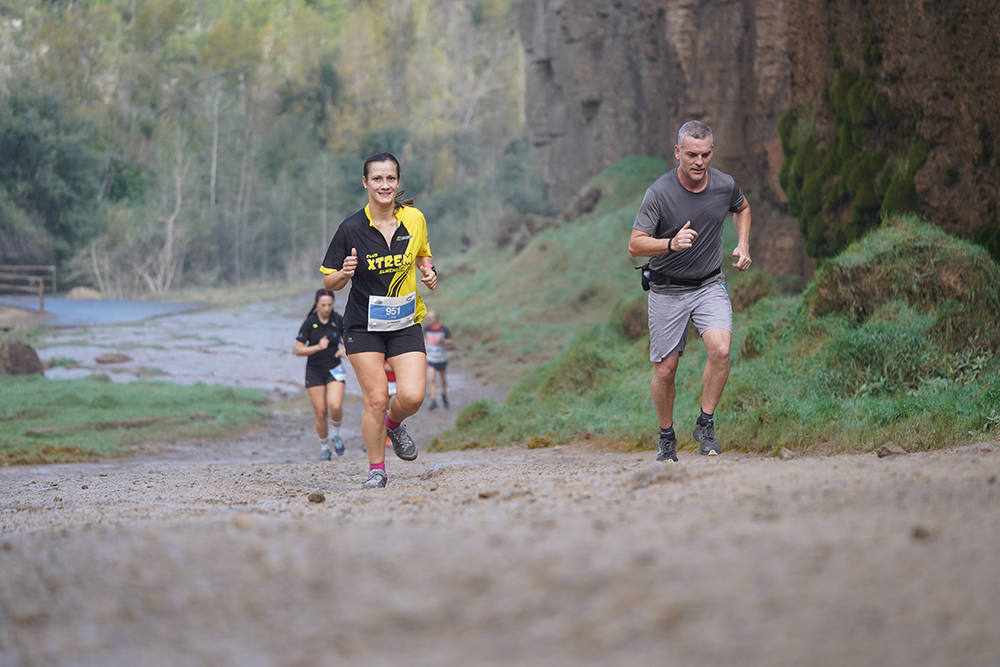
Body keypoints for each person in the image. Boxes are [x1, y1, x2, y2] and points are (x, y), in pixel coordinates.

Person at [627, 120, 752, 462]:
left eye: (706, 154)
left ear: (712, 152)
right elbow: (635, 245)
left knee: (721, 349)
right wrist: (670, 243)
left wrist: (742, 244)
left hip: (709, 284)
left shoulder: (724, 185)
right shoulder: (660, 192)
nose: (699, 162)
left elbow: (742, 207)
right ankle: (666, 437)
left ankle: (705, 424)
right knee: (666, 369)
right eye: (692, 154)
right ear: (678, 153)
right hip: (667, 290)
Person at [320, 152, 438, 488]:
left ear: (397, 182)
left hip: (404, 322)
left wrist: (429, 271)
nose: (384, 185)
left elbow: (423, 254)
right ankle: (377, 470)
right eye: (377, 179)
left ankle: (393, 424)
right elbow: (329, 280)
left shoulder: (414, 219)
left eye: (390, 179)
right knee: (375, 398)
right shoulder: (351, 228)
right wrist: (343, 274)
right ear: (365, 183)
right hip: (363, 326)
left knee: (413, 396)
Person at [294, 288, 347, 460]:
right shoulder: (310, 322)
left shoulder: (337, 319)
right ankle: (324, 447)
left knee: (335, 406)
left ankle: (336, 434)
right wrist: (317, 347)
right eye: (323, 305)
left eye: (330, 305)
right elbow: (298, 349)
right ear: (317, 304)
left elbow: (350, 339)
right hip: (315, 370)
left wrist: (345, 349)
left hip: (334, 368)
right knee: (321, 412)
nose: (326, 308)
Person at [423, 310, 453, 410]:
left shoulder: (443, 329)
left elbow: (450, 341)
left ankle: (444, 395)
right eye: (428, 318)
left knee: (443, 379)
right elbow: (424, 339)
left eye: (430, 318)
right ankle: (433, 400)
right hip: (431, 358)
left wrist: (443, 340)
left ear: (435, 319)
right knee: (431, 379)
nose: (428, 320)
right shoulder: (427, 329)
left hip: (441, 358)